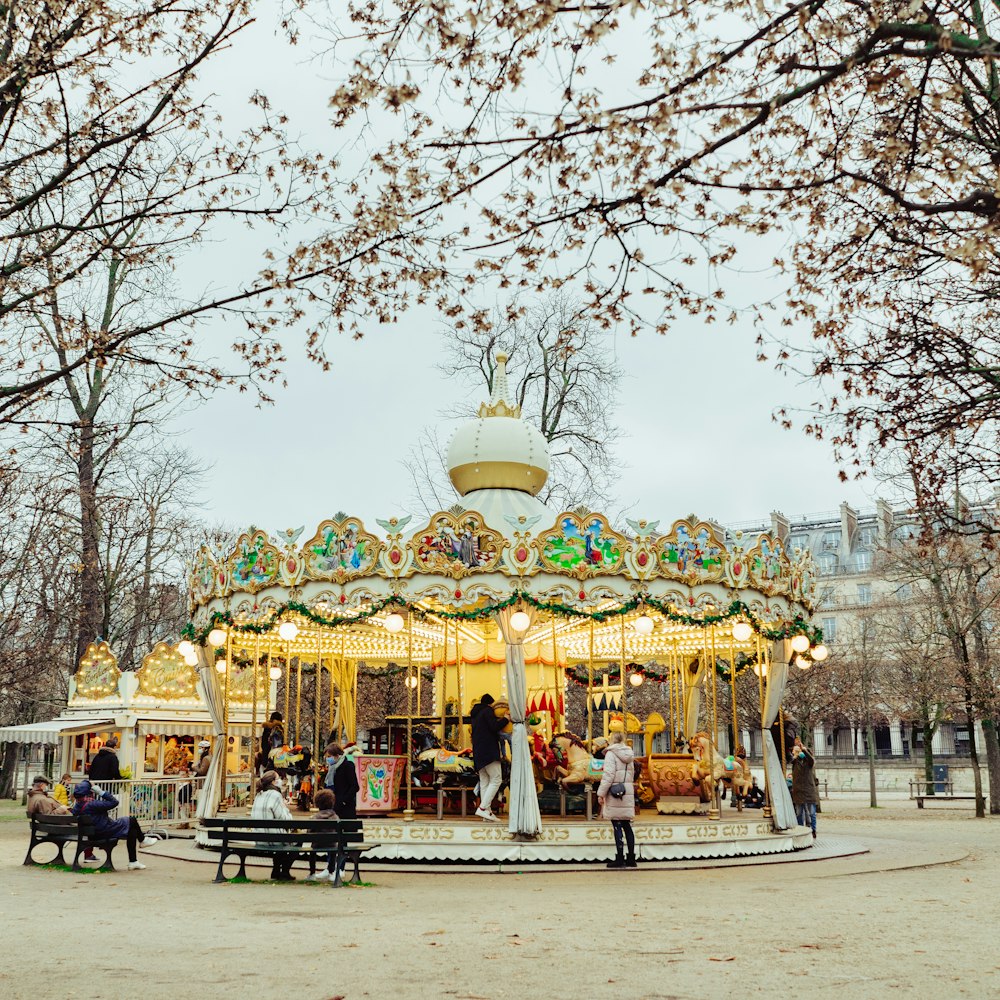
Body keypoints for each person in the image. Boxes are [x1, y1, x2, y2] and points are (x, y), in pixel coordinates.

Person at [72, 779, 157, 870]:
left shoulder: (77, 806)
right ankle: (142, 840)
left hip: (93, 834)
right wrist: (101, 792)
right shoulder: (93, 804)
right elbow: (114, 802)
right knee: (132, 820)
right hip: (105, 831)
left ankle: (134, 861)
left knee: (132, 830)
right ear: (90, 792)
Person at [597, 731, 637, 869]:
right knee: (627, 825)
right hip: (627, 790)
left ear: (612, 740)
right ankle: (631, 857)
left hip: (615, 791)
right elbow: (632, 774)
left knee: (617, 824)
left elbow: (608, 775)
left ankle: (620, 857)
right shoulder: (629, 754)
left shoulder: (611, 753)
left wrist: (601, 793)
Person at [250, 770, 295, 880]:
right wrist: (286, 809)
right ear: (273, 782)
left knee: (278, 835)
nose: (280, 781)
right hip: (273, 839)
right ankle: (284, 871)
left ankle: (276, 870)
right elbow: (285, 820)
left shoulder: (258, 795)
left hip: (259, 838)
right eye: (278, 778)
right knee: (297, 840)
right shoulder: (275, 795)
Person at [470, 693, 507, 821]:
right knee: (496, 779)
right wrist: (506, 719)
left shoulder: (475, 715)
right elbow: (494, 726)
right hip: (489, 751)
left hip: (478, 752)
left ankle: (487, 813)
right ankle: (483, 808)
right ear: (491, 704)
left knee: (485, 782)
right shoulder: (487, 711)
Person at [307, 788, 340, 882]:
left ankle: (312, 873)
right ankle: (331, 872)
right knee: (333, 850)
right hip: (331, 844)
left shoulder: (315, 817)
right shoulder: (335, 817)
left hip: (316, 844)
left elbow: (309, 832)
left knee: (312, 850)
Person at [790, 737, 819, 838]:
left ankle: (813, 829)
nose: (796, 752)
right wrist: (795, 754)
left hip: (808, 790)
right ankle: (800, 830)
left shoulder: (808, 763)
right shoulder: (795, 762)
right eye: (795, 751)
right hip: (798, 791)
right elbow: (790, 759)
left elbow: (811, 759)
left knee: (812, 813)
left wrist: (804, 749)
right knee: (799, 813)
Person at [323, 744, 359, 819]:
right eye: (326, 757)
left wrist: (344, 801)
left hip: (346, 807)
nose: (327, 759)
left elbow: (354, 786)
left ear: (337, 755)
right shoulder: (332, 768)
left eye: (329, 756)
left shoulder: (347, 765)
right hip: (334, 806)